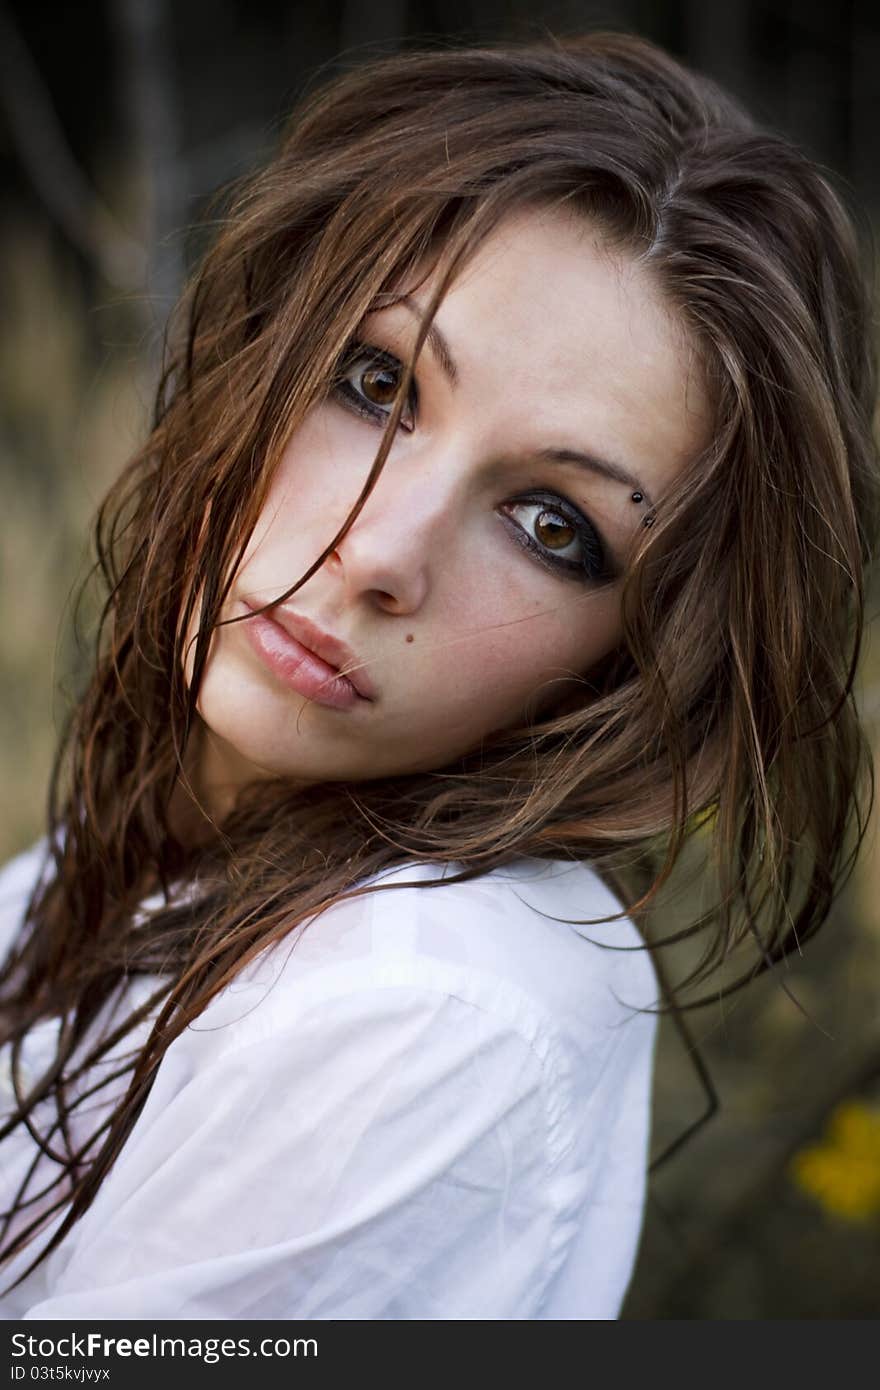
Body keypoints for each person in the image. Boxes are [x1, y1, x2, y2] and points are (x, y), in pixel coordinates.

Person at [0, 30, 877, 1321]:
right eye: (376, 383)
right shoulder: (171, 844)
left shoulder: (425, 1004)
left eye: (553, 525)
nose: (376, 553)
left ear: (630, 658)